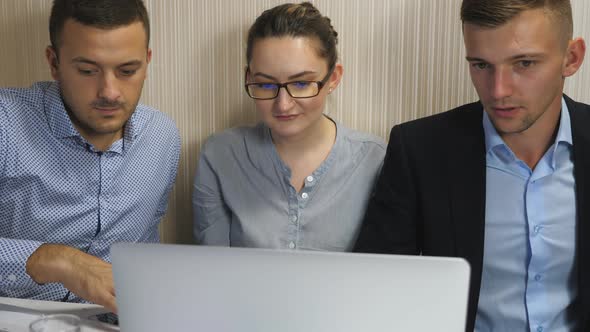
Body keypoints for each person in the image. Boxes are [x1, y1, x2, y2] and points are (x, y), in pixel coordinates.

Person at [355, 0, 588, 330]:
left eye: (524, 63)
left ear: (572, 57)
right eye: (481, 65)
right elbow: (374, 289)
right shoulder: (420, 149)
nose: (498, 91)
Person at [0, 0, 180, 314]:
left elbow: (145, 250)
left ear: (147, 61)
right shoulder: (6, 123)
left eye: (127, 70)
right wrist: (54, 259)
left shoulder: (162, 137)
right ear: (54, 62)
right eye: (87, 70)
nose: (109, 92)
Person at [193, 2, 385, 251]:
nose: (283, 105)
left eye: (302, 84)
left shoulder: (375, 159)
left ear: (333, 78)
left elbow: (378, 274)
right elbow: (211, 269)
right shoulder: (220, 155)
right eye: (265, 85)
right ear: (249, 78)